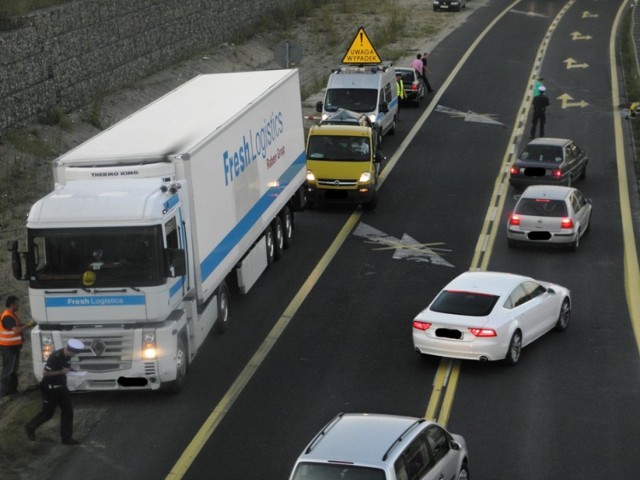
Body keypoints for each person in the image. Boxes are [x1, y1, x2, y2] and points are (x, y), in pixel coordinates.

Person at [25, 338, 85, 445]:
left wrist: (73, 370)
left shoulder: (67, 355)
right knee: (47, 413)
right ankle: (30, 426)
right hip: (50, 388)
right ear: (71, 350)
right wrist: (61, 371)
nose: (74, 355)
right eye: (75, 353)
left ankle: (66, 438)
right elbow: (45, 373)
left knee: (68, 412)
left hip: (62, 387)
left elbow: (66, 365)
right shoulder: (55, 356)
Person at [0, 296, 34, 399]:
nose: (18, 305)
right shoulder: (8, 317)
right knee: (8, 370)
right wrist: (28, 325)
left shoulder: (12, 315)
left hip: (13, 347)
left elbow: (19, 325)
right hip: (8, 348)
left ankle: (13, 390)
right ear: (12, 304)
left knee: (13, 370)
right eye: (16, 303)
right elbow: (16, 330)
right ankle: (3, 392)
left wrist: (28, 324)